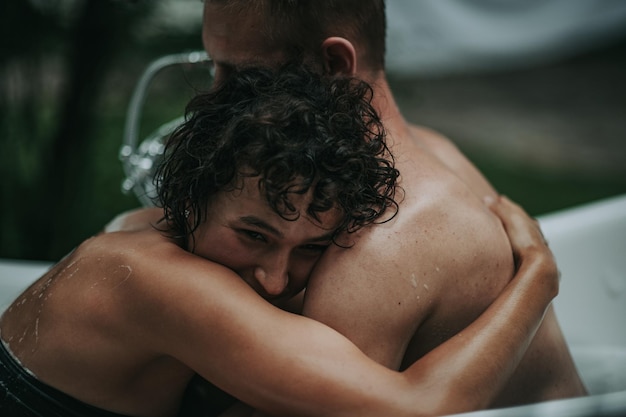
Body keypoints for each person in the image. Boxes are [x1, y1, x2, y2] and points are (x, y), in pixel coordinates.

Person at [2, 65, 557, 417]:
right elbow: (416, 406)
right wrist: (536, 277)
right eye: (253, 234)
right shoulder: (162, 285)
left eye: (311, 248)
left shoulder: (139, 232)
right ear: (191, 198)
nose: (275, 278)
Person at [196, 0, 587, 409]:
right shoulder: (431, 146)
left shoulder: (379, 247)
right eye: (214, 68)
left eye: (242, 74)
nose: (215, 95)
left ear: (333, 63)